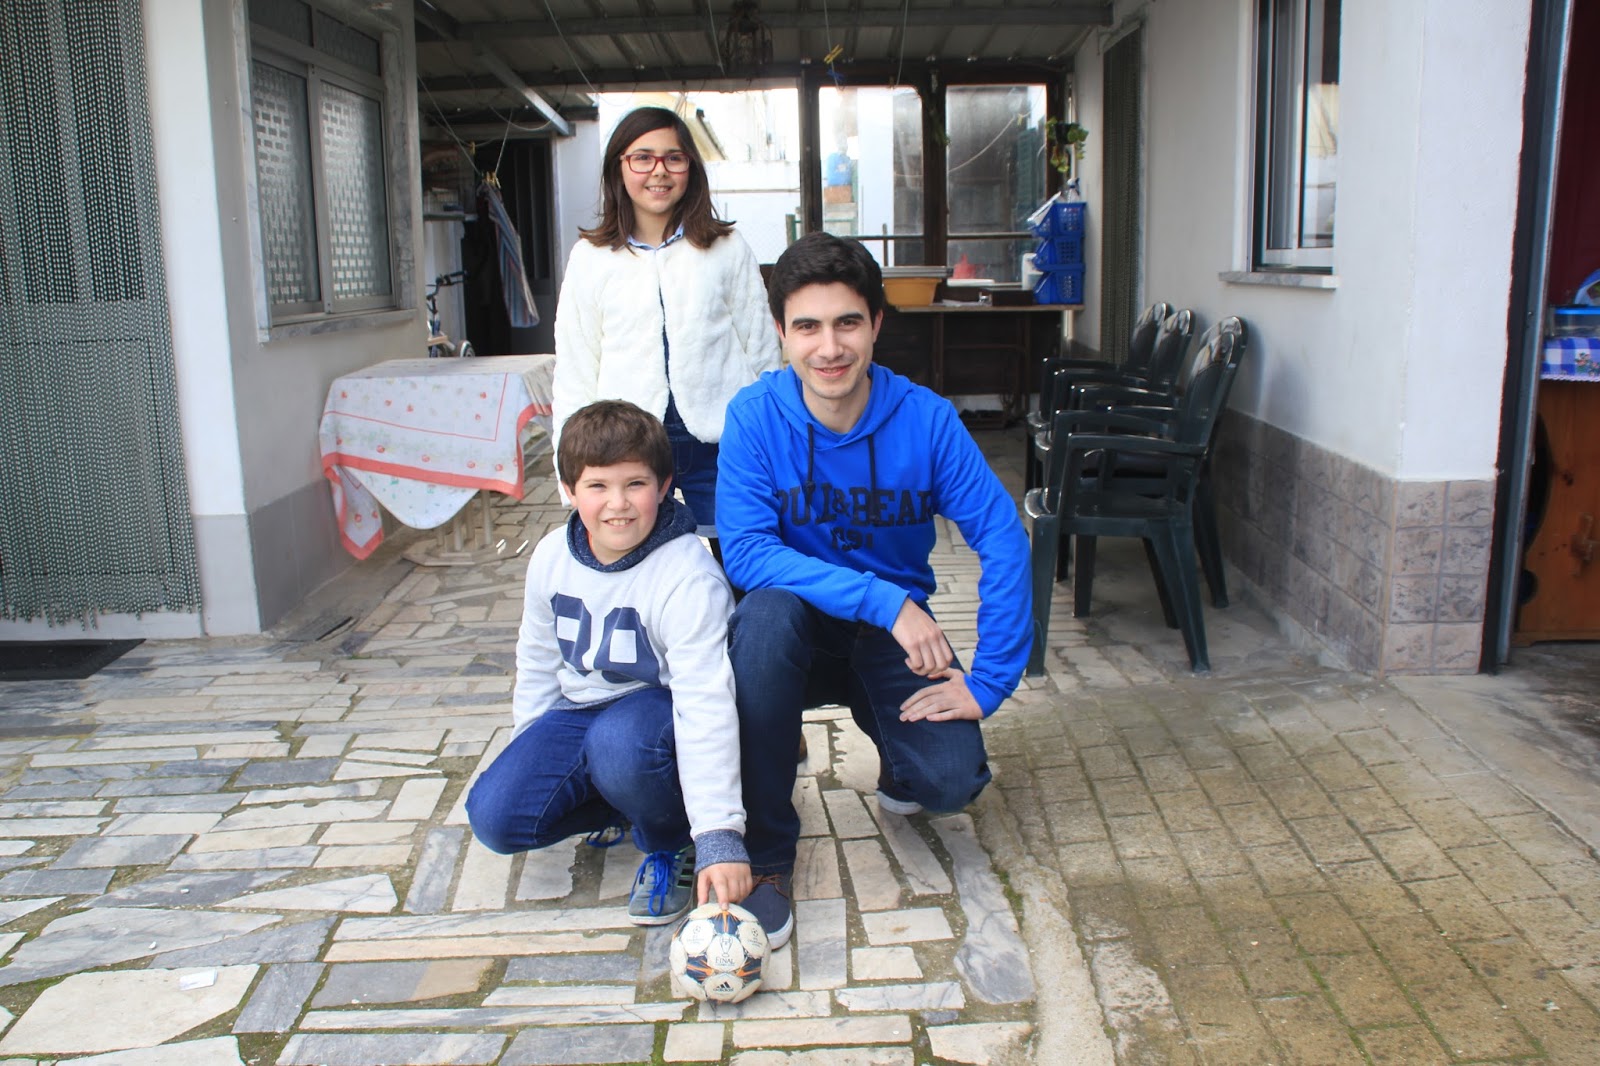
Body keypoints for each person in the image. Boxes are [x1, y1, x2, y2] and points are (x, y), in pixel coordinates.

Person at [715, 233, 1032, 948]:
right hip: (796, 633)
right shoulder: (755, 418)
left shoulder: (926, 419)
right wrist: (886, 600)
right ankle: (767, 854)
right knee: (761, 621)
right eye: (807, 326)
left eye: (847, 323)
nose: (829, 347)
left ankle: (897, 755)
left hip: (889, 643)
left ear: (877, 324)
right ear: (781, 332)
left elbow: (1003, 537)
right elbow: (748, 553)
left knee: (949, 784)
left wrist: (990, 681)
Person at [466, 400, 751, 925]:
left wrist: (719, 832)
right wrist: (532, 750)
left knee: (618, 744)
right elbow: (537, 659)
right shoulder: (551, 556)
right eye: (597, 486)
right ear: (569, 490)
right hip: (580, 713)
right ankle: (630, 801)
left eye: (635, 484)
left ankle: (671, 841)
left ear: (664, 486)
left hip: (657, 719)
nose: (617, 504)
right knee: (496, 817)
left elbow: (704, 702)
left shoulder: (688, 576)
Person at [552, 106, 781, 533]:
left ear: (690, 167)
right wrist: (571, 467)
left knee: (737, 552)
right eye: (642, 158)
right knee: (639, 559)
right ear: (619, 167)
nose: (659, 171)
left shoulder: (727, 247)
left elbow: (762, 349)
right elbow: (576, 366)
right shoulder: (590, 258)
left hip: (722, 443)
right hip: (627, 450)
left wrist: (768, 438)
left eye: (673, 158)